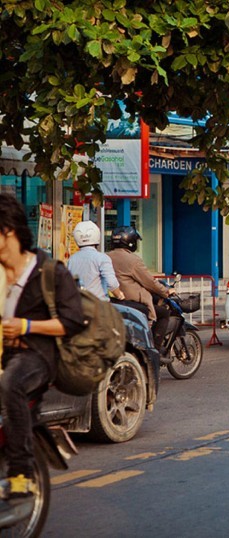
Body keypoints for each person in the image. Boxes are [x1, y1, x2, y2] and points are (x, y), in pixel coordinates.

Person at [0, 194, 84, 510]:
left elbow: (72, 321)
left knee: (11, 383)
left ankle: (21, 472)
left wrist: (25, 327)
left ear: (8, 232)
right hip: (5, 355)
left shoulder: (49, 272)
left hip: (37, 357)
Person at [107, 226, 174, 349]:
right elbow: (150, 282)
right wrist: (166, 291)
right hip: (130, 301)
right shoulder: (133, 260)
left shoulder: (106, 257)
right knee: (164, 313)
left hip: (112, 301)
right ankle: (155, 350)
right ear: (131, 242)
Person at [67, 221, 125, 302]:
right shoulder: (103, 258)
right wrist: (119, 295)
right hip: (99, 307)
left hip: (78, 306)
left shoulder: (72, 259)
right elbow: (112, 284)